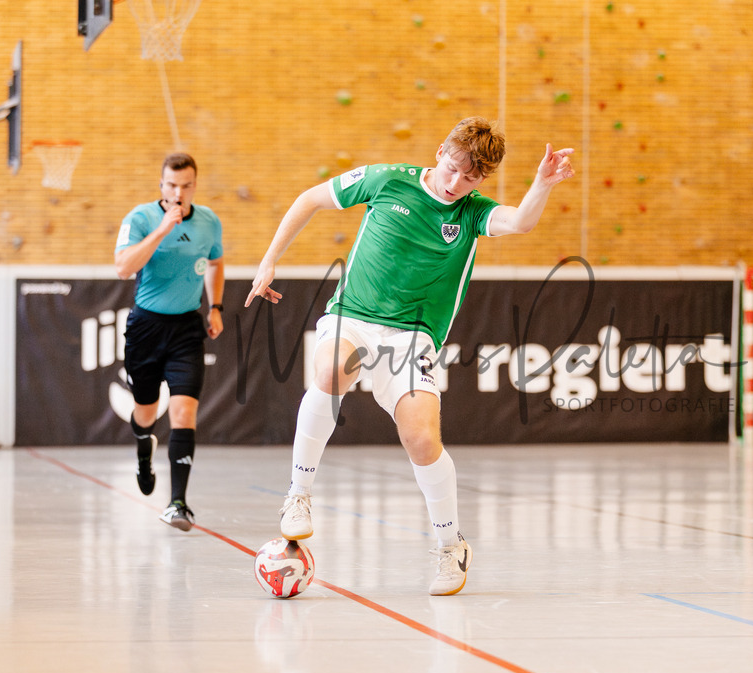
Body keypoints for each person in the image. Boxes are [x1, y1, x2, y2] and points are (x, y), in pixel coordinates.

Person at [245, 117, 575, 595]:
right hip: (353, 316)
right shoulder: (386, 180)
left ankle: (450, 546)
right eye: (454, 168)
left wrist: (542, 183)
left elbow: (520, 221)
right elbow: (309, 199)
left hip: (413, 337)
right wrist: (269, 259)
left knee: (421, 438)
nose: (457, 182)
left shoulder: (472, 213)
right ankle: (298, 495)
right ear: (441, 151)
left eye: (471, 178)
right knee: (332, 371)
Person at [114, 152, 225, 531]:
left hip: (187, 329)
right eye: (172, 185)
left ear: (195, 185)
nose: (179, 192)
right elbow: (123, 267)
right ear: (161, 185)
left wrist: (215, 307)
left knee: (183, 413)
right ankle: (144, 447)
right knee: (146, 413)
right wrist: (162, 230)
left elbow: (215, 263)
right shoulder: (140, 218)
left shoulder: (209, 221)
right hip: (146, 328)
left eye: (186, 185)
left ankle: (178, 503)